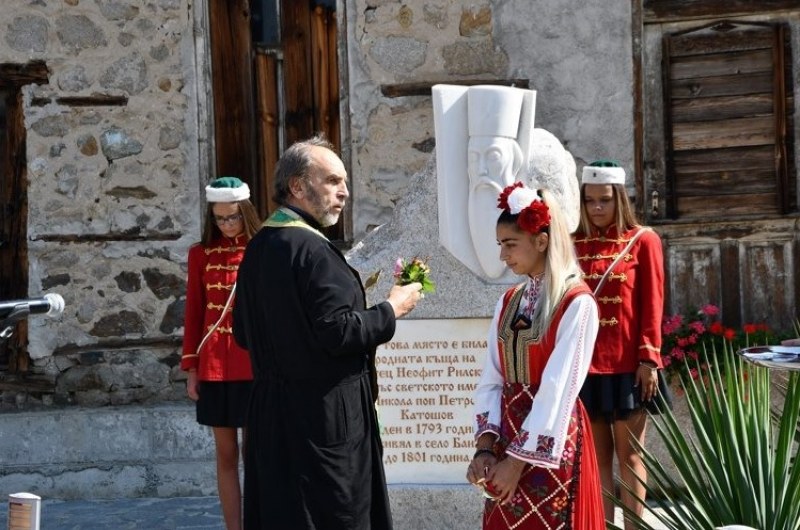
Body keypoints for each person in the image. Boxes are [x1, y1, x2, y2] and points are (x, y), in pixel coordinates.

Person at [232, 135, 422, 530]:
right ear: (297, 186)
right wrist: (392, 309)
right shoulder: (312, 251)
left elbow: (244, 334)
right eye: (333, 181)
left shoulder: (259, 247)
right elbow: (338, 333)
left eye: (345, 183)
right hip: (324, 423)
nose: (344, 193)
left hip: (271, 419)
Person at [467, 182, 604, 529]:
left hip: (550, 439)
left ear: (541, 241)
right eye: (501, 245)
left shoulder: (577, 303)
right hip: (508, 437)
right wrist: (485, 448)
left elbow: (558, 389)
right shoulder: (509, 301)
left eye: (510, 244)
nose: (502, 255)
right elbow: (492, 377)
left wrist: (516, 462)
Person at [574, 160, 671, 528]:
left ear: (620, 199)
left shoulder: (643, 240)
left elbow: (653, 303)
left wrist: (650, 359)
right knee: (597, 461)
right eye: (589, 201)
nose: (597, 208)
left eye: (604, 200)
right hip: (587, 367)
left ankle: (633, 525)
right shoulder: (570, 244)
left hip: (629, 367)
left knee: (631, 456)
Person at [181, 176, 262, 530]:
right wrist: (191, 369)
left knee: (255, 455)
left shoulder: (264, 249)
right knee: (226, 455)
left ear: (246, 212)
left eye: (234, 217)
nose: (227, 225)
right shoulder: (200, 254)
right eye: (220, 218)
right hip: (214, 367)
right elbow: (194, 313)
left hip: (255, 366)